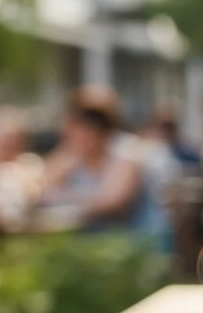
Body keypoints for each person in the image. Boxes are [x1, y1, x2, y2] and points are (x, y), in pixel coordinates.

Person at [40, 89, 159, 235]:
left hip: (137, 239)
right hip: (95, 237)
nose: (67, 132)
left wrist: (63, 201)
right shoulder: (73, 153)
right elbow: (43, 190)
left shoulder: (126, 151)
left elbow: (112, 202)